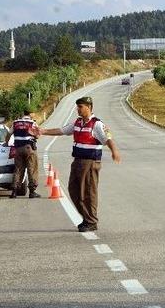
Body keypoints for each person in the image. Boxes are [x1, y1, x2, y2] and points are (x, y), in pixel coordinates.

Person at [36, 96, 121, 232]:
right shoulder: (77, 122)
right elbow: (62, 131)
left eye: (80, 107)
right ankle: (87, 219)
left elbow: (108, 138)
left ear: (89, 107)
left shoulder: (97, 124)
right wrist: (43, 131)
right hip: (77, 161)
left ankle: (91, 221)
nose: (78, 109)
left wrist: (114, 151)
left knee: (88, 192)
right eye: (77, 107)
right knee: (74, 191)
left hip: (90, 162)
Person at [4, 110, 41, 198]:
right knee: (32, 168)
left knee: (18, 169)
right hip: (29, 148)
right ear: (30, 114)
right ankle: (32, 192)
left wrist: (6, 143)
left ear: (23, 114)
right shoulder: (32, 123)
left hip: (18, 149)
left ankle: (14, 191)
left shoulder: (16, 123)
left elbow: (9, 134)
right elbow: (38, 135)